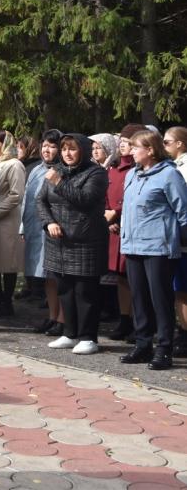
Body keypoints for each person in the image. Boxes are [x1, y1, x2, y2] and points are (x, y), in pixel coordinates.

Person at [120, 129, 187, 370]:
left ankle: (164, 348)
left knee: (161, 299)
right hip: (133, 245)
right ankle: (143, 345)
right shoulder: (132, 175)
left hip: (158, 247)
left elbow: (183, 211)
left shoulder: (169, 174)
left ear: (150, 150)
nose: (131, 151)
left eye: (135, 147)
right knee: (139, 298)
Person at [37, 134, 109, 356]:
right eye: (64, 149)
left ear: (83, 151)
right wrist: (49, 222)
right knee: (65, 289)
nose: (67, 153)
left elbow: (85, 199)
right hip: (58, 240)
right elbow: (40, 200)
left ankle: (88, 337)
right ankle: (70, 333)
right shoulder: (56, 170)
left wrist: (59, 183)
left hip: (85, 241)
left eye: (72, 149)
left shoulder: (96, 173)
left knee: (85, 291)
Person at [107, 124, 147, 342]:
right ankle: (124, 319)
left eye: (128, 142)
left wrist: (117, 213)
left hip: (132, 228)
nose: (123, 145)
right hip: (114, 229)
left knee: (136, 279)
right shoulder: (113, 167)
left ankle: (140, 322)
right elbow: (106, 194)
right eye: (121, 141)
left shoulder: (139, 169)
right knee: (121, 277)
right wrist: (108, 217)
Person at [23, 130, 63, 334]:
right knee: (46, 276)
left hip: (55, 229)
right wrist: (23, 227)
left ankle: (63, 319)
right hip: (35, 228)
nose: (47, 150)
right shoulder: (36, 169)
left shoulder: (62, 170)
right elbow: (27, 198)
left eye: (52, 146)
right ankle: (52, 316)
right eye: (45, 145)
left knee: (58, 276)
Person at [0, 130, 25, 318]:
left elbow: (16, 194)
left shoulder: (15, 164)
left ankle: (7, 301)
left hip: (7, 219)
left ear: (5, 144)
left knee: (8, 261)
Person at [164, 126, 187, 357]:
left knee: (182, 291)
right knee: (179, 290)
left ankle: (184, 334)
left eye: (167, 142)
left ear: (180, 144)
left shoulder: (183, 168)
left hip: (183, 238)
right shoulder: (173, 166)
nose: (163, 146)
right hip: (178, 239)